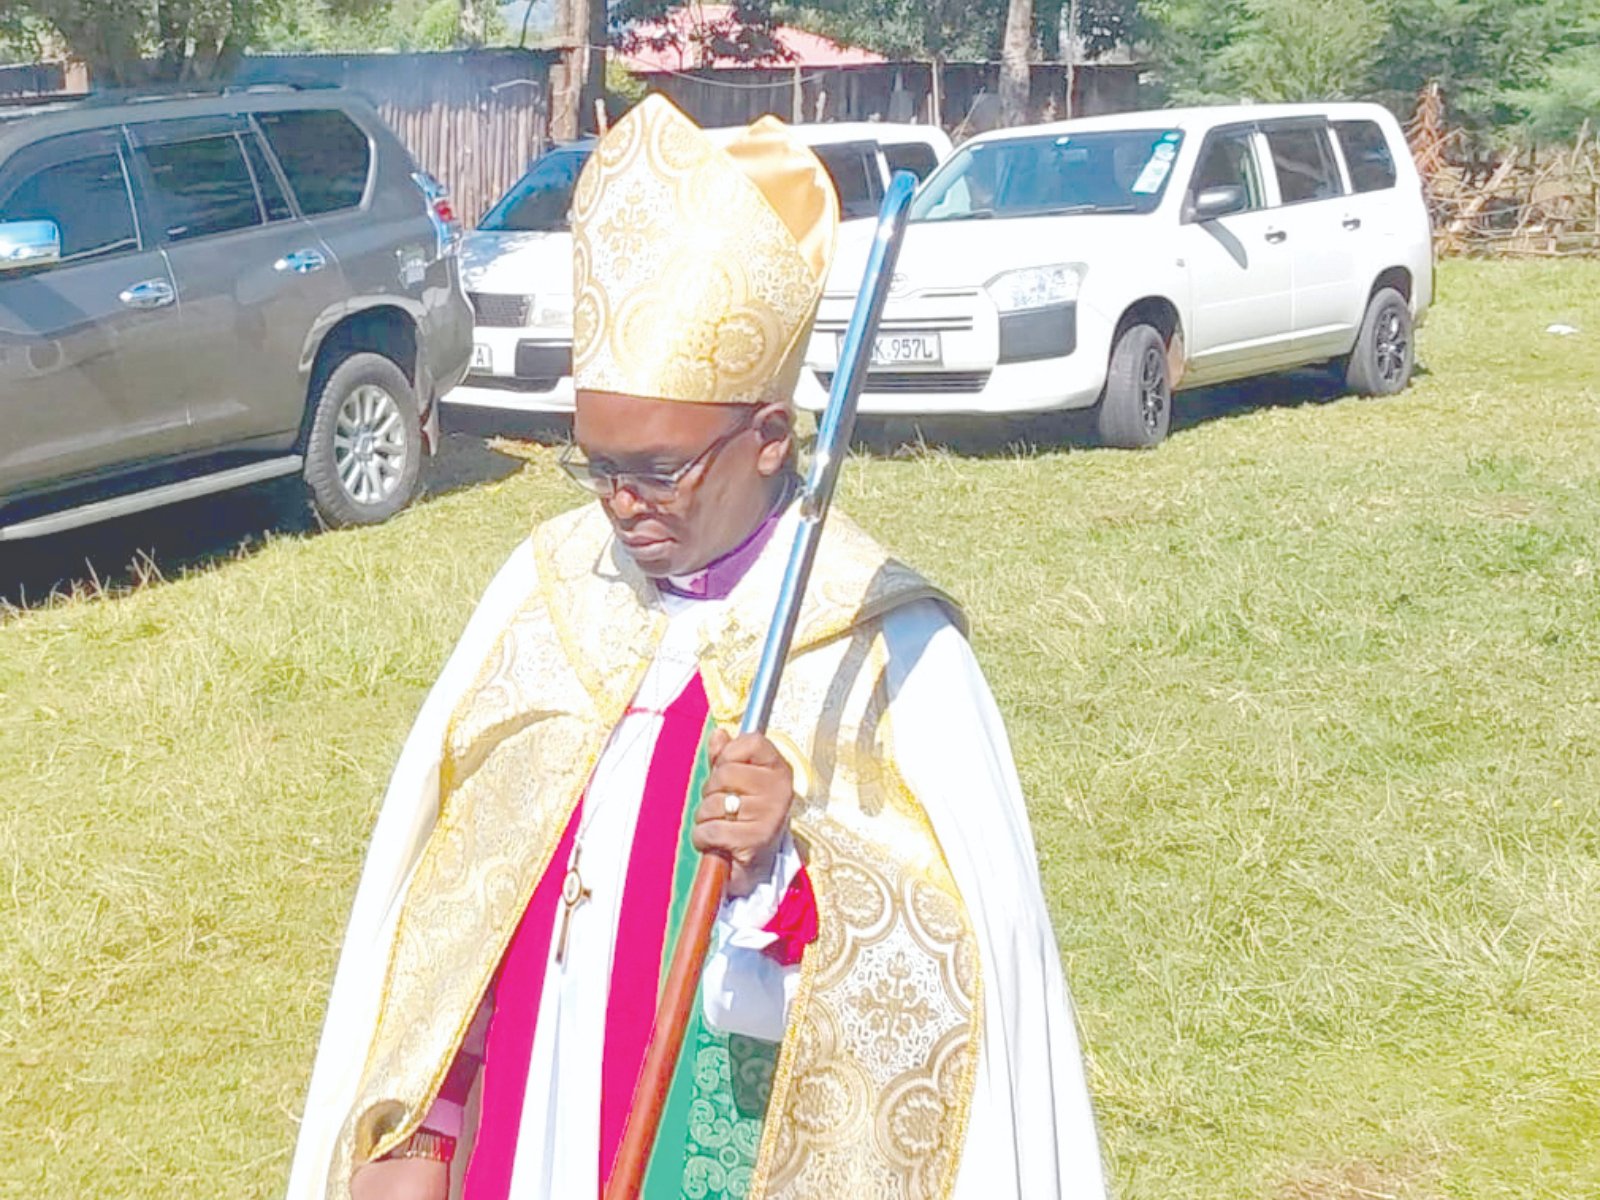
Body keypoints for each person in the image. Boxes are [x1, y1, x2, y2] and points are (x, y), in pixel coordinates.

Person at [285, 94, 1107, 1200]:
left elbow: (961, 971)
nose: (623, 505)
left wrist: (796, 852)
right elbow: (458, 898)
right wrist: (422, 1131)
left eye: (661, 469)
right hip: (532, 1119)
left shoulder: (880, 644)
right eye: (596, 464)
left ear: (768, 438)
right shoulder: (547, 591)